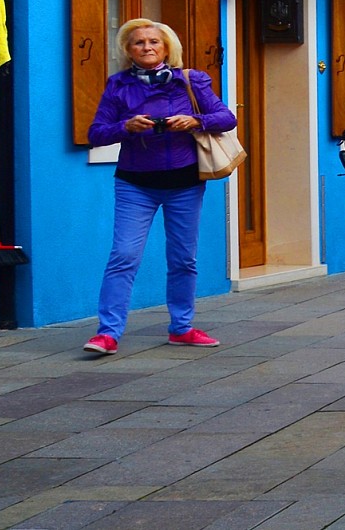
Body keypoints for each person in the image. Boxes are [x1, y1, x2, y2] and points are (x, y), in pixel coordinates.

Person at [83, 19, 237, 355]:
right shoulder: (118, 85)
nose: (147, 47)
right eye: (139, 42)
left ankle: (181, 328)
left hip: (184, 182)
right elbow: (96, 133)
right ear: (128, 49)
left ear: (167, 48)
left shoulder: (190, 81)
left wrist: (196, 121)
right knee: (123, 255)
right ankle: (107, 333)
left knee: (183, 258)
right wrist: (126, 126)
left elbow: (227, 117)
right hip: (134, 183)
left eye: (154, 41)